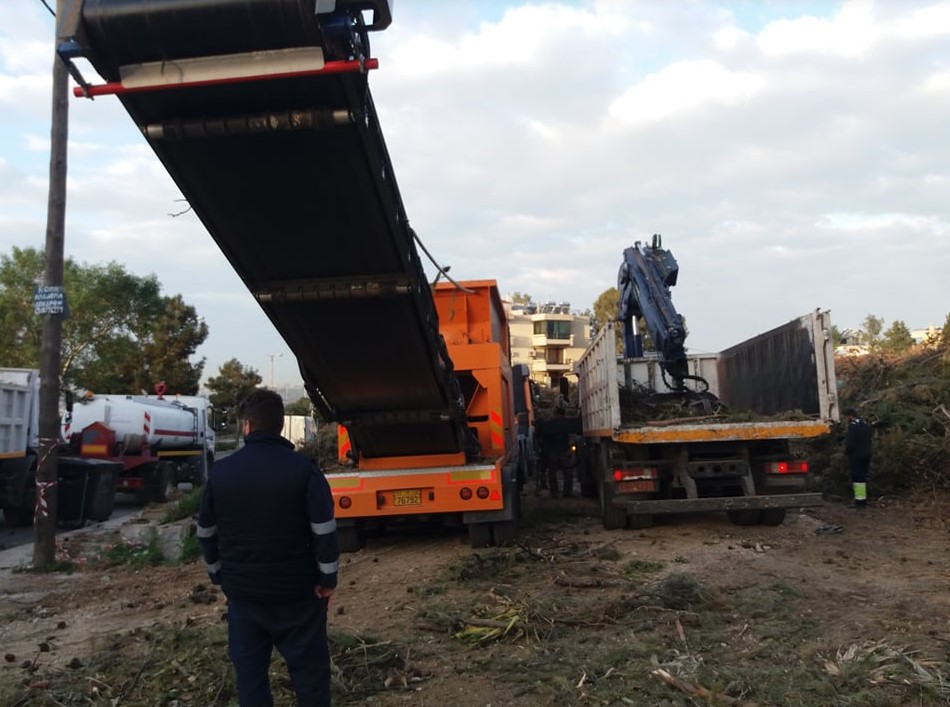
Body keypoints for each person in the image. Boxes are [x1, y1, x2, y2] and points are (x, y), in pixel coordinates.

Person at [198, 389, 339, 707]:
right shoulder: (304, 470)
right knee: (311, 677)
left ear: (247, 426)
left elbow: (206, 533)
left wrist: (220, 577)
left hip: (244, 597)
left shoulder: (222, 472)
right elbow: (325, 530)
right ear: (280, 426)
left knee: (250, 679)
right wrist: (328, 579)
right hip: (299, 595)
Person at [538, 407, 583, 498]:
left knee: (552, 473)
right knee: (568, 473)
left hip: (552, 452)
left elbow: (542, 438)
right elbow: (575, 430)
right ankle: (567, 492)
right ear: (563, 414)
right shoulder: (566, 423)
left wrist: (546, 451)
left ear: (555, 414)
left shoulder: (548, 424)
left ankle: (554, 493)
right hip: (563, 451)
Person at [843, 407, 872, 510]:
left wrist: (847, 453)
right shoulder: (865, 425)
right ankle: (863, 500)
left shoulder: (853, 426)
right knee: (863, 478)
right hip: (867, 455)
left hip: (856, 456)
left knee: (857, 479)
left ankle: (859, 502)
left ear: (849, 416)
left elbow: (850, 443)